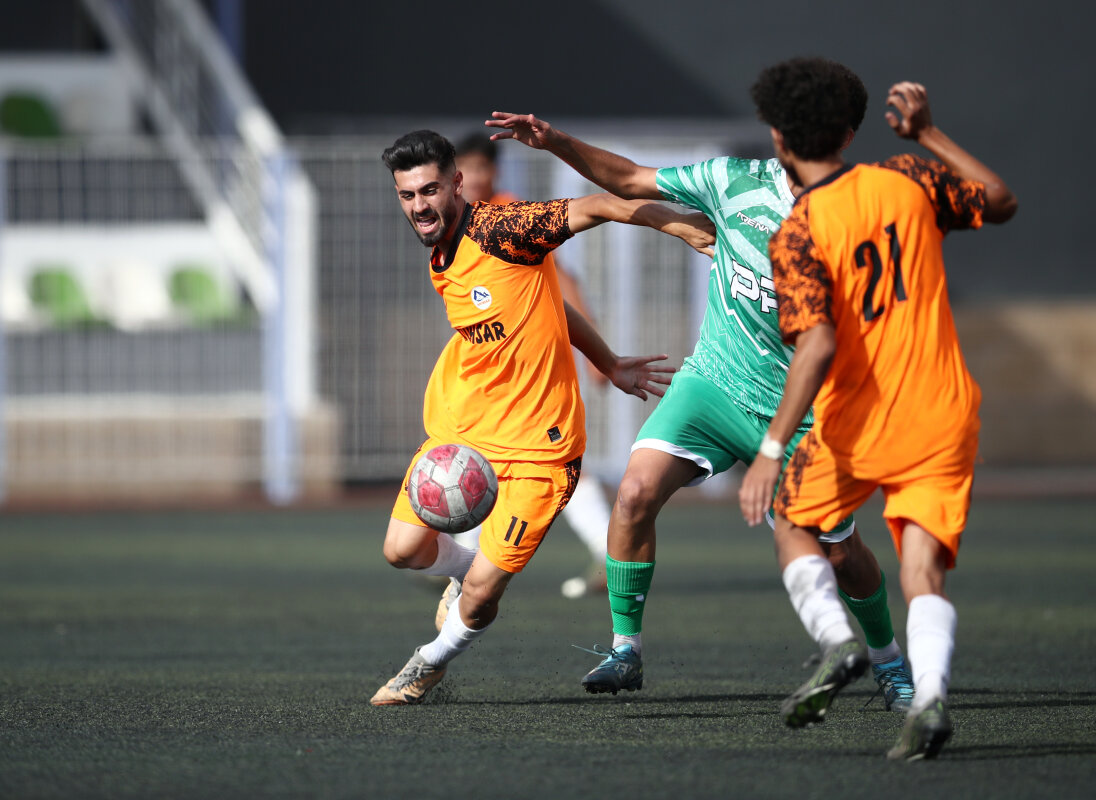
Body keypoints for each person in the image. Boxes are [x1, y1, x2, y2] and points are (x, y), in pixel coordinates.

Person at [485, 72, 915, 709]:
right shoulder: (732, 181)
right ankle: (625, 650)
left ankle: (888, 660)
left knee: (841, 554)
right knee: (634, 494)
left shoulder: (863, 216)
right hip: (713, 382)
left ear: (846, 137)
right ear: (777, 132)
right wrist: (556, 142)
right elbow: (631, 179)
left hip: (802, 411)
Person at [371, 129, 716, 706]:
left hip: (540, 448)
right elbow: (548, 305)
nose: (419, 206)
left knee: (482, 595)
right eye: (407, 195)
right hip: (463, 430)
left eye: (429, 190)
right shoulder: (440, 252)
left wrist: (676, 224)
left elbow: (599, 205)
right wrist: (608, 360)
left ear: (456, 183)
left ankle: (427, 664)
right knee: (401, 550)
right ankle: (466, 569)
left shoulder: (501, 229)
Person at [738, 60, 1016, 760]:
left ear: (779, 138)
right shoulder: (907, 178)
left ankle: (838, 641)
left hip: (855, 425)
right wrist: (928, 134)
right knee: (921, 572)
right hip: (941, 412)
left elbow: (817, 343)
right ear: (847, 131)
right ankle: (929, 700)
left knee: (793, 523)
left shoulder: (798, 230)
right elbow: (1000, 200)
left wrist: (769, 451)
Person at [455, 131, 614, 600]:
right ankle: (462, 557)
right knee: (486, 451)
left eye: (480, 168)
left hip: (532, 366)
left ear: (493, 171)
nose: (472, 178)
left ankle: (610, 551)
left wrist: (597, 353)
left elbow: (563, 278)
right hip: (497, 368)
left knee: (546, 457)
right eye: (464, 169)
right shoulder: (459, 221)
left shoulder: (507, 215)